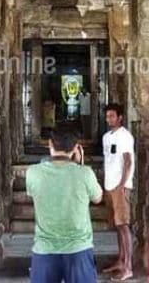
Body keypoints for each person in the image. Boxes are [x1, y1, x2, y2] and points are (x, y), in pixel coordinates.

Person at [26, 131, 103, 283]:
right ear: (76, 148)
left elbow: (34, 194)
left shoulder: (33, 173)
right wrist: (79, 165)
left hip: (44, 249)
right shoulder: (85, 173)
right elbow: (97, 198)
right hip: (79, 248)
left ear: (50, 145)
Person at [101, 103, 134, 281]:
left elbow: (127, 161)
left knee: (124, 225)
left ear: (120, 117)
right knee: (117, 226)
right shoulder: (106, 137)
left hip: (120, 186)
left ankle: (128, 266)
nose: (109, 119)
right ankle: (121, 260)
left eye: (112, 116)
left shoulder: (125, 136)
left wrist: (122, 184)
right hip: (109, 184)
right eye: (107, 117)